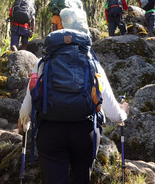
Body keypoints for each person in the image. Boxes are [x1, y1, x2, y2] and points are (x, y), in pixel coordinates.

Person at [17, 31, 130, 183]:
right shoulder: (93, 64)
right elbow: (113, 113)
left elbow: (29, 103)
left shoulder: (42, 63)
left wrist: (24, 122)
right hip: (85, 132)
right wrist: (123, 112)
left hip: (51, 131)